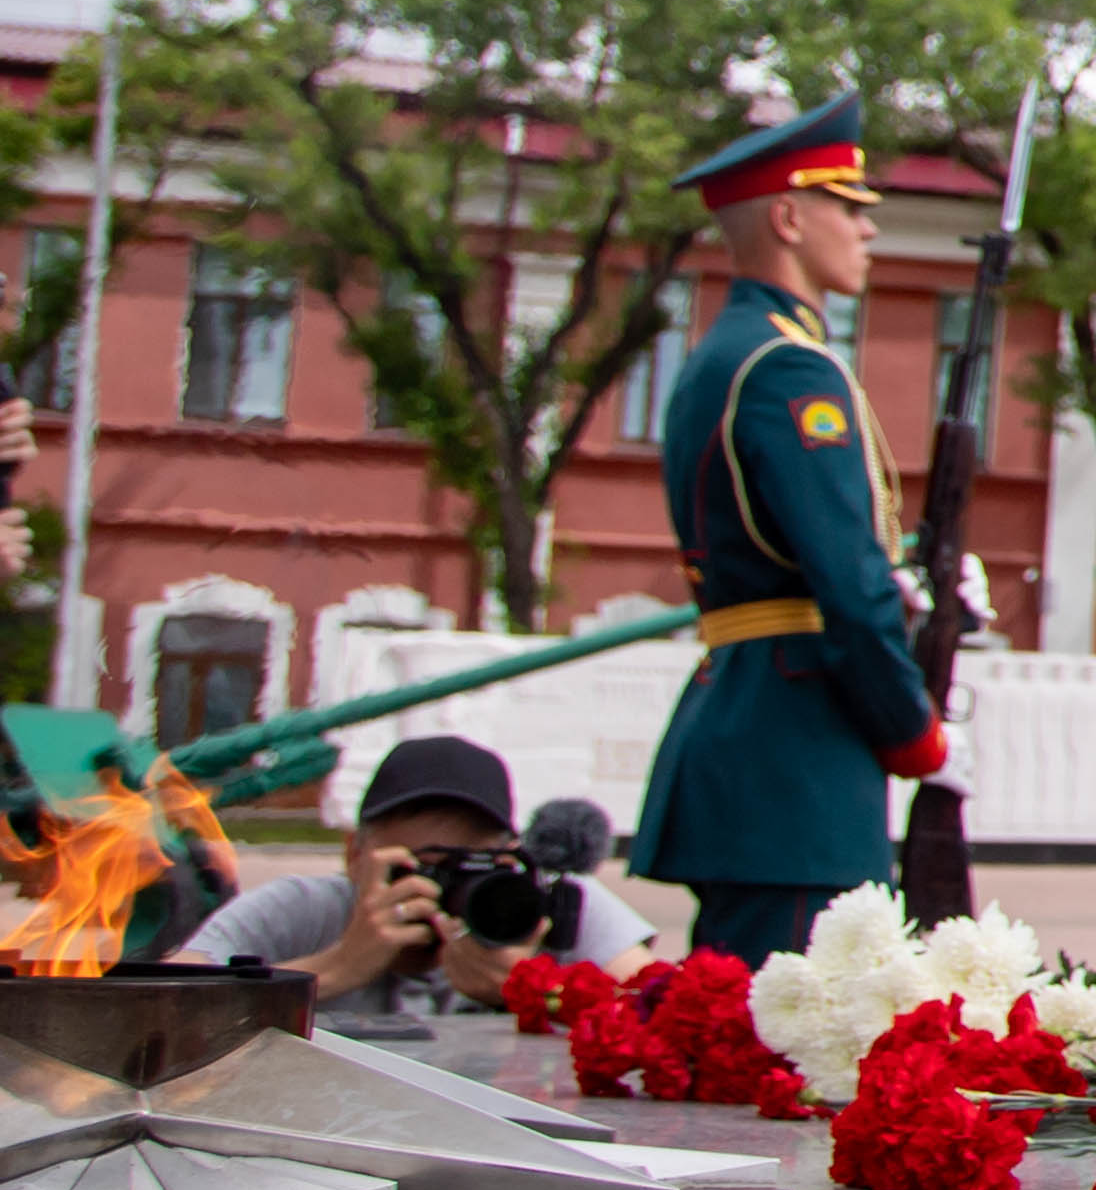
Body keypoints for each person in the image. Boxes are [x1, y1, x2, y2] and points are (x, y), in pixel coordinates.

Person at [634, 94, 949, 961]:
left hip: (753, 714)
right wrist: (912, 725)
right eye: (847, 206)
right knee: (798, 1018)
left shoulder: (724, 354)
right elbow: (849, 583)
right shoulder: (789, 370)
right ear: (788, 218)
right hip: (800, 746)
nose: (867, 228)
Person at [170, 735, 653, 1016]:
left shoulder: (551, 904)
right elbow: (159, 1004)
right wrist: (335, 967)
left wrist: (541, 995)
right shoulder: (308, 909)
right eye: (422, 868)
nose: (447, 892)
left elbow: (670, 1013)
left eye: (473, 867)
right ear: (355, 855)